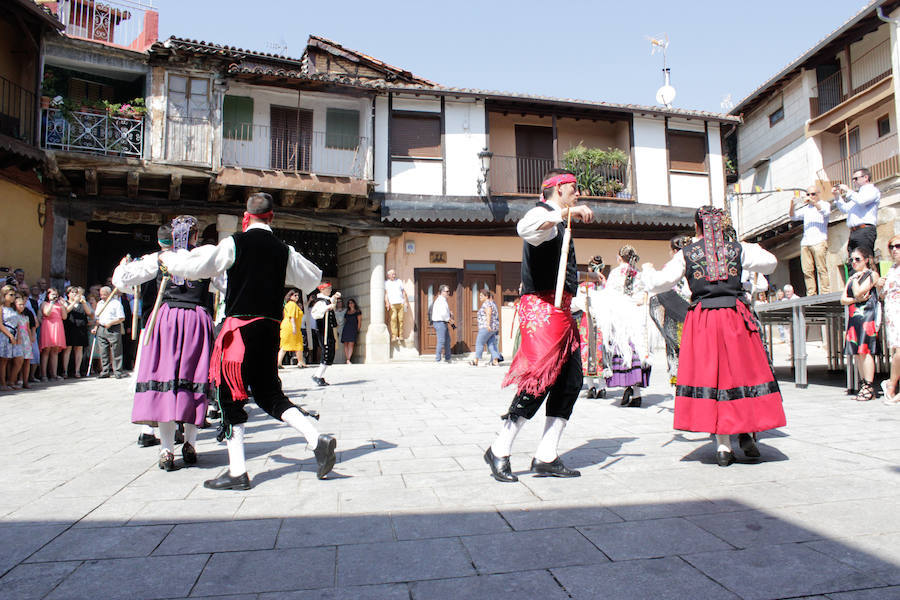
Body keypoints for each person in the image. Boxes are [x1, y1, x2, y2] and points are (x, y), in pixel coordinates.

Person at [160, 192, 335, 490]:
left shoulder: (234, 243)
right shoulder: (284, 250)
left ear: (246, 217)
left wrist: (167, 258)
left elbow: (197, 268)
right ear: (271, 217)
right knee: (269, 394)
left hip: (239, 331)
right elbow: (313, 277)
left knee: (229, 397)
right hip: (270, 329)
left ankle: (238, 471)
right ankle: (316, 438)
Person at [641, 206, 784, 467]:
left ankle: (723, 446)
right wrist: (747, 247)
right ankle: (746, 435)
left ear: (697, 227)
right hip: (734, 317)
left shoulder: (687, 253)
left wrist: (648, 270)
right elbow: (771, 263)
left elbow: (658, 283)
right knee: (741, 374)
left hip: (704, 321)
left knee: (713, 378)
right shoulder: (737, 249)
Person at [485, 168, 593, 482]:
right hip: (543, 310)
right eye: (574, 187)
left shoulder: (558, 220)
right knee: (539, 381)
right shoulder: (542, 214)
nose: (578, 193)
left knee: (571, 380)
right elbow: (526, 227)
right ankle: (499, 448)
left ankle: (546, 455)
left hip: (561, 311)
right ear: (558, 189)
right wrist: (567, 212)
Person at [113, 217, 216, 471]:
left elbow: (123, 280)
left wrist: (123, 267)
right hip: (196, 321)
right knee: (193, 380)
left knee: (165, 381)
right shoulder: (205, 257)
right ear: (194, 236)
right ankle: (190, 444)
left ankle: (166, 449)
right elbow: (226, 285)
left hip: (166, 321)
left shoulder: (159, 258)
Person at [598, 245, 651, 408]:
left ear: (620, 257)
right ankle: (636, 393)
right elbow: (644, 295)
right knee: (636, 350)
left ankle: (628, 388)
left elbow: (609, 295)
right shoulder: (639, 274)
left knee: (622, 350)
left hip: (620, 317)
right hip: (636, 316)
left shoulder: (615, 273)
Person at [648, 236, 693, 388]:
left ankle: (680, 384)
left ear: (674, 251)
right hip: (694, 312)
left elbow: (659, 289)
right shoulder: (696, 263)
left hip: (674, 313)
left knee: (676, 349)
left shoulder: (671, 266)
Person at [841, 245, 882, 402]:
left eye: (857, 259)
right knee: (857, 352)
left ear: (866, 260)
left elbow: (858, 292)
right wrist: (855, 299)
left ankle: (869, 386)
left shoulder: (872, 274)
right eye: (851, 260)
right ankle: (863, 383)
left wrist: (855, 283)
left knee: (865, 350)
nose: (853, 262)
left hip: (867, 316)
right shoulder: (852, 277)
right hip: (854, 317)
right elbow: (843, 299)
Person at [573, 256, 607, 398]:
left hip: (587, 321)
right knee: (601, 352)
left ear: (589, 268)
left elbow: (576, 305)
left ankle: (591, 386)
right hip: (602, 321)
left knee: (586, 352)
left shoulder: (583, 286)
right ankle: (602, 387)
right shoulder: (606, 285)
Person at [789, 186, 831, 295]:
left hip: (819, 240)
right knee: (807, 270)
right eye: (808, 194)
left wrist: (814, 203)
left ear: (818, 194)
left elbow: (825, 212)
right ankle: (811, 292)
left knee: (821, 268)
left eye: (813, 194)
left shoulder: (824, 204)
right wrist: (792, 204)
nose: (810, 196)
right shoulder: (806, 209)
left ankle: (825, 292)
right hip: (806, 242)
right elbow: (793, 216)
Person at [833, 166, 879, 257]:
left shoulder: (872, 190)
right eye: (853, 179)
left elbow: (862, 201)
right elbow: (845, 208)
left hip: (865, 230)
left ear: (866, 177)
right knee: (853, 260)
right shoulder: (857, 195)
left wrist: (848, 190)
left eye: (856, 178)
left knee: (865, 258)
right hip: (854, 232)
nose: (854, 181)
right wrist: (837, 196)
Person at [878, 234, 900, 404]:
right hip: (893, 314)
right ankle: (891, 385)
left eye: (898, 246)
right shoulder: (891, 270)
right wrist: (879, 285)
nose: (894, 250)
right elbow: (883, 295)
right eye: (891, 247)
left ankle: (891, 385)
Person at [310, 282, 340, 386]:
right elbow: (315, 314)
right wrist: (327, 308)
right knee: (326, 352)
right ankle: (318, 375)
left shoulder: (326, 300)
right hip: (324, 330)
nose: (330, 290)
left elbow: (331, 302)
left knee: (329, 351)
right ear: (322, 289)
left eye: (331, 288)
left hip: (329, 330)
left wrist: (334, 298)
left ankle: (319, 375)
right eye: (328, 288)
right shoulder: (320, 302)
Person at [93, 286, 125, 379]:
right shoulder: (100, 303)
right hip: (101, 328)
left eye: (104, 295)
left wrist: (111, 323)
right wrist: (96, 327)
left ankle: (117, 371)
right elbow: (97, 317)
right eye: (101, 295)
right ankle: (105, 371)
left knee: (116, 350)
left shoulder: (116, 303)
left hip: (113, 328)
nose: (102, 296)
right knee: (103, 351)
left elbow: (121, 318)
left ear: (110, 294)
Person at [62, 286, 91, 378]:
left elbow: (89, 312)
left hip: (81, 328)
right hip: (70, 327)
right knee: (68, 349)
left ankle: (77, 370)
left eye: (76, 292)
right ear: (68, 294)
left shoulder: (82, 303)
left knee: (79, 349)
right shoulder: (65, 303)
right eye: (72, 292)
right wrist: (74, 302)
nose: (75, 294)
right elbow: (66, 311)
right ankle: (65, 371)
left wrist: (84, 302)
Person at [40, 287, 67, 381]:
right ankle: (44, 374)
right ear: (48, 295)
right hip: (48, 326)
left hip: (58, 326)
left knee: (55, 351)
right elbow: (46, 313)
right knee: (46, 350)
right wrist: (51, 303)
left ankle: (54, 374)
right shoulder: (45, 303)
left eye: (56, 294)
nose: (54, 296)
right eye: (52, 294)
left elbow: (64, 316)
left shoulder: (59, 304)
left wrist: (63, 306)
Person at [470, 289, 502, 366]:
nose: (480, 297)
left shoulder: (487, 303)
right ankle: (495, 361)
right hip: (493, 328)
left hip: (486, 327)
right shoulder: (492, 303)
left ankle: (476, 360)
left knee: (479, 342)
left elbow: (488, 313)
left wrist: (488, 325)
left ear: (486, 296)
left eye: (481, 296)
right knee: (491, 344)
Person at [278, 289, 305, 369]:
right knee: (297, 344)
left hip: (287, 326)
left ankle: (279, 362)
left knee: (286, 345)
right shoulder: (292, 304)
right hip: (291, 327)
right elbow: (291, 317)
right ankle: (300, 362)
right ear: (290, 296)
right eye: (295, 295)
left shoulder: (288, 304)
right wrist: (294, 327)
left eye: (298, 295)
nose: (297, 297)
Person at [14, 294, 34, 389]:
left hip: (26, 340)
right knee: (17, 361)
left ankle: (25, 381)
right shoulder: (14, 316)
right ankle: (14, 380)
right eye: (20, 304)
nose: (22, 306)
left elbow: (28, 329)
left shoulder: (25, 316)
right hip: (17, 340)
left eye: (23, 304)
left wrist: (30, 339)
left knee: (27, 360)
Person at [0, 286, 18, 390]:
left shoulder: (13, 308)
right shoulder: (1, 308)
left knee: (9, 360)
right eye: (11, 295)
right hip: (4, 335)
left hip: (13, 334)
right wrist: (10, 335)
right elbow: (0, 324)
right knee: (3, 360)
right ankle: (3, 383)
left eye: (14, 295)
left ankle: (9, 381)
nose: (13, 297)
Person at [384, 269, 410, 342]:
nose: (394, 275)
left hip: (400, 303)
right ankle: (394, 336)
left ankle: (401, 335)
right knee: (393, 319)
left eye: (394, 274)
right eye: (392, 274)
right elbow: (386, 294)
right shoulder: (386, 283)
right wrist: (387, 303)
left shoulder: (399, 281)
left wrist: (405, 302)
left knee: (401, 319)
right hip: (392, 304)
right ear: (388, 275)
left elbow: (403, 292)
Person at [431, 285, 453, 363]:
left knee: (447, 340)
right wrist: (449, 319)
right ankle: (438, 359)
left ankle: (448, 358)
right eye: (447, 291)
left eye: (448, 291)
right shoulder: (441, 300)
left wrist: (449, 314)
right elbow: (443, 314)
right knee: (441, 341)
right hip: (440, 322)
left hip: (443, 322)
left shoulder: (442, 300)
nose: (448, 293)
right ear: (442, 292)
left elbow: (444, 312)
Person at [341, 298, 361, 364]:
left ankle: (348, 359)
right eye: (349, 303)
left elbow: (359, 322)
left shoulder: (357, 311)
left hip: (353, 329)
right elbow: (345, 321)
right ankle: (347, 359)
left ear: (354, 303)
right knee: (345, 344)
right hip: (346, 328)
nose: (350, 304)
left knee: (351, 344)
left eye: (351, 303)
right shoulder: (347, 312)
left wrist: (357, 330)